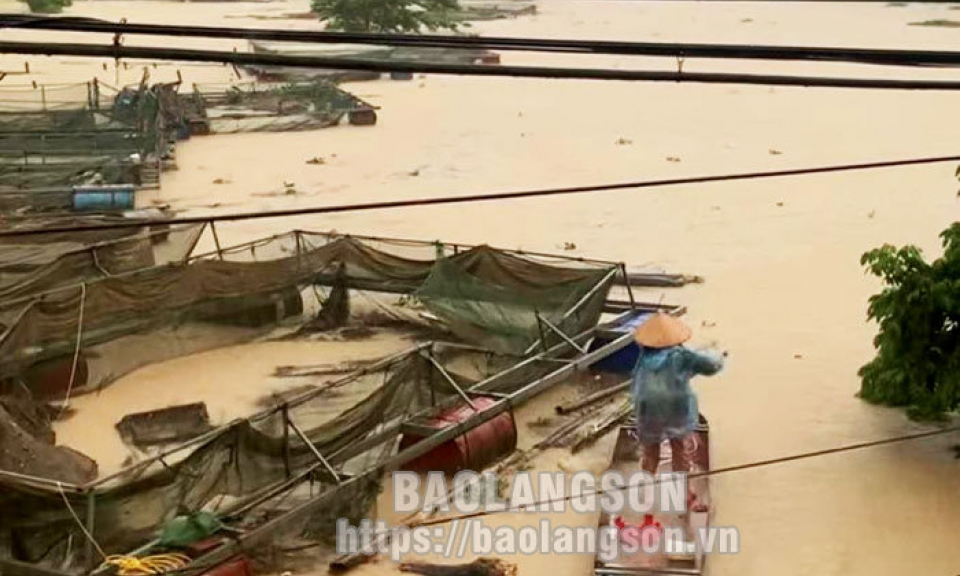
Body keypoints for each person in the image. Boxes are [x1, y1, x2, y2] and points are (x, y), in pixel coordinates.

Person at [631, 312, 724, 513]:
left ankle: (645, 498)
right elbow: (712, 365)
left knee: (650, 451)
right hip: (675, 407)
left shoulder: (643, 356)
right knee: (679, 447)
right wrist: (716, 352)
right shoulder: (681, 356)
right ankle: (684, 496)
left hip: (647, 407)